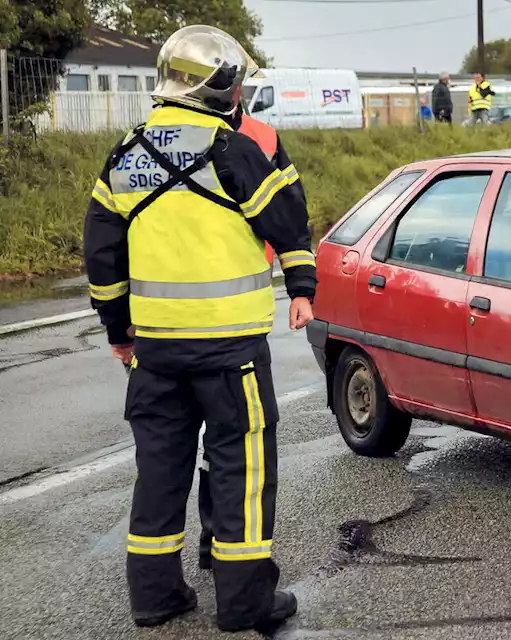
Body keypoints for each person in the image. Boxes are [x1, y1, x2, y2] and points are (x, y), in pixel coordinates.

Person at [82, 24, 315, 632]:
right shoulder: (234, 149)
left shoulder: (125, 153)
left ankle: (155, 598)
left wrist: (119, 330)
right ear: (221, 88)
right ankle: (244, 604)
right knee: (241, 467)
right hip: (229, 347)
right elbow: (286, 220)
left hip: (154, 350)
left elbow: (102, 255)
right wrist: (302, 289)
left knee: (159, 470)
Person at [193, 99, 289, 573]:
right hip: (217, 320)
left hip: (233, 307)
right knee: (232, 442)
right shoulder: (198, 134)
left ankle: (216, 545)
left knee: (219, 443)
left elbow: (291, 212)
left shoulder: (263, 136)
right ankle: (225, 553)